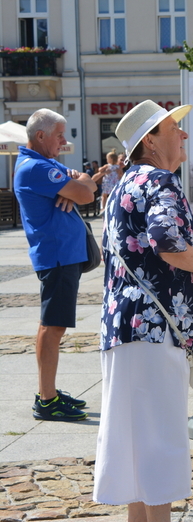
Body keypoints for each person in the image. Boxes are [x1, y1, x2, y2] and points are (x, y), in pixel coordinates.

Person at [93, 100, 193, 522]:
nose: (183, 134)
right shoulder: (159, 180)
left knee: (135, 451)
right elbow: (168, 242)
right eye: (172, 128)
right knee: (159, 447)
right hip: (154, 331)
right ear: (150, 141)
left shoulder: (122, 186)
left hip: (122, 327)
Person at [14, 109, 98, 422]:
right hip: (58, 255)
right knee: (53, 327)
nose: (64, 141)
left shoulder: (44, 163)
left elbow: (88, 185)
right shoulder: (37, 167)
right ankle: (47, 400)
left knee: (53, 325)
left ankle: (48, 392)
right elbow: (85, 194)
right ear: (41, 135)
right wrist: (77, 189)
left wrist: (79, 184)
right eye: (59, 135)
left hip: (62, 254)